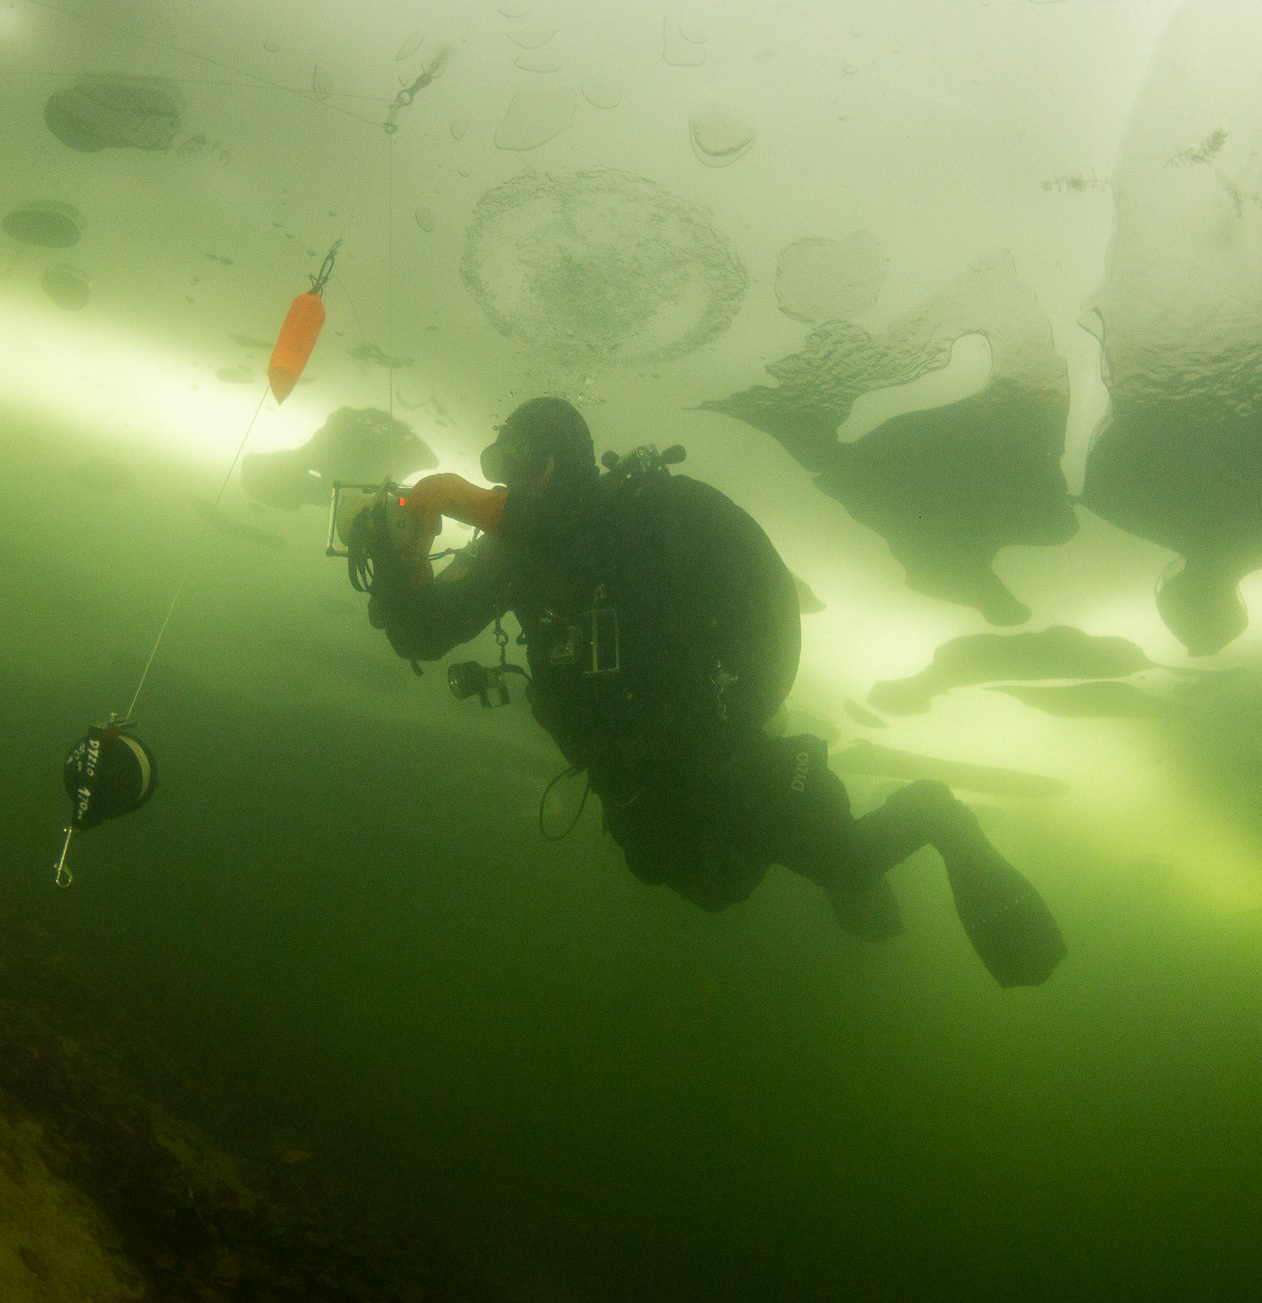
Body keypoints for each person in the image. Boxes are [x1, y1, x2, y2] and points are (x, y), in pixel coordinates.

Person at [350, 396, 1066, 987]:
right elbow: (425, 634)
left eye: (517, 465)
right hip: (635, 775)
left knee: (844, 859)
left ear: (560, 464)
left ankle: (930, 814)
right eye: (494, 468)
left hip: (713, 747)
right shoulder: (513, 556)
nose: (503, 483)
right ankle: (809, 795)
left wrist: (461, 497)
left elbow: (575, 530)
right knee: (711, 887)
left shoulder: (640, 517)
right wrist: (400, 557)